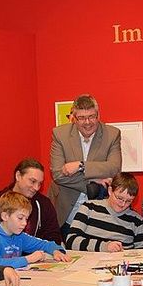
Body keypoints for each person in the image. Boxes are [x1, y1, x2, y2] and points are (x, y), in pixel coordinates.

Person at [48, 94, 122, 235]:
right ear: (73, 118)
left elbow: (114, 168)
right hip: (66, 212)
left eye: (91, 116)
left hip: (100, 213)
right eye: (81, 118)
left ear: (98, 115)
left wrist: (81, 166)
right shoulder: (59, 134)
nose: (87, 122)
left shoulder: (112, 134)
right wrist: (92, 179)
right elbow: (58, 174)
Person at [0, 157, 62, 244]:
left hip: (38, 254)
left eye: (40, 184)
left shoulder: (44, 204)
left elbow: (54, 237)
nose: (36, 188)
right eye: (32, 181)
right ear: (18, 176)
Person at [0, 191, 70, 268]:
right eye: (20, 218)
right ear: (5, 216)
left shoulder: (19, 235)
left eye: (26, 219)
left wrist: (55, 250)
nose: (24, 223)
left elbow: (44, 244)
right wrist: (28, 259)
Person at [65, 172, 143, 252]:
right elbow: (71, 241)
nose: (123, 204)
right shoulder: (89, 207)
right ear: (110, 191)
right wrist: (104, 246)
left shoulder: (137, 221)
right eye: (119, 198)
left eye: (128, 201)